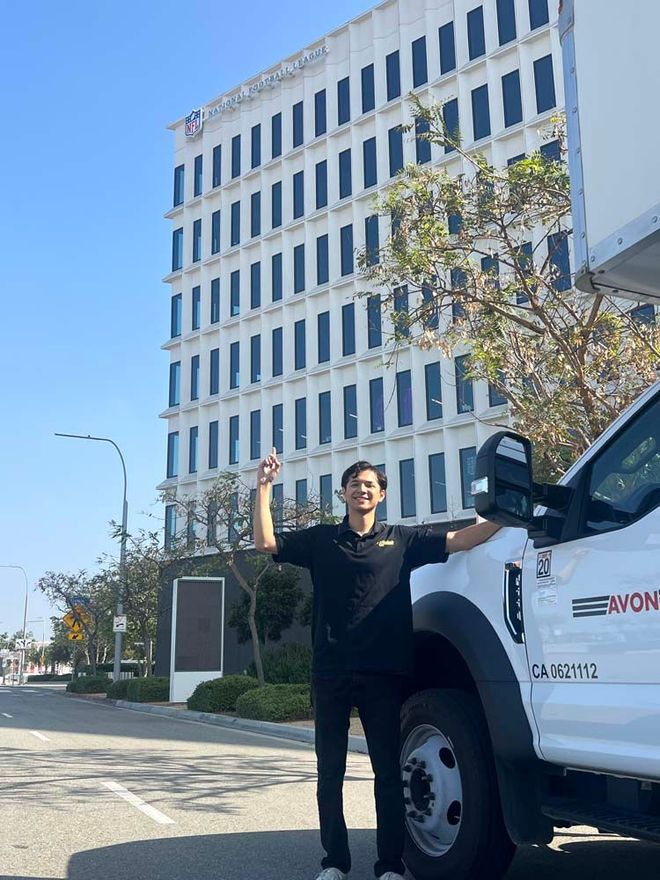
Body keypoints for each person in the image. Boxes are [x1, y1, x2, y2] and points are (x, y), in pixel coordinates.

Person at [253, 450, 500, 880]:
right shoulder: (321, 540)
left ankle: (390, 865)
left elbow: (460, 540)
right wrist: (264, 487)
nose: (361, 489)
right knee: (329, 774)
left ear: (381, 494)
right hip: (330, 672)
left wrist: (509, 515)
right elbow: (266, 542)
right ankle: (334, 863)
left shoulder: (402, 540)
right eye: (354, 483)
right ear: (344, 494)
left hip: (384, 674)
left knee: (388, 774)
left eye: (369, 484)